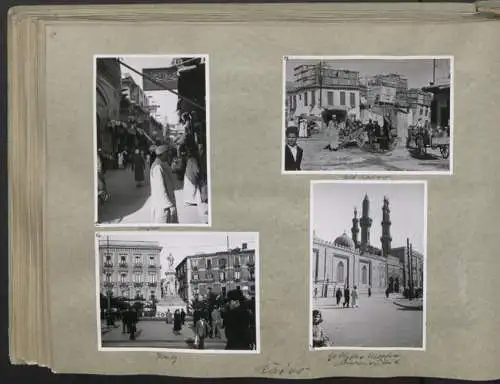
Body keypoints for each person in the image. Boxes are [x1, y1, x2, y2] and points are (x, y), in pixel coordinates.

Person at [150, 145, 178, 223]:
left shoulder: (160, 164)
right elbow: (161, 188)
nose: (168, 155)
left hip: (163, 204)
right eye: (167, 153)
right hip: (162, 206)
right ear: (163, 154)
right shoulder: (157, 167)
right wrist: (170, 205)